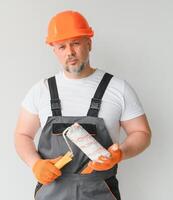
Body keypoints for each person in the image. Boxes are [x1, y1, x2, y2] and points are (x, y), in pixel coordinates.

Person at [14, 10, 151, 200]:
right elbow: (22, 135)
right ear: (54, 50)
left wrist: (121, 154)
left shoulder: (118, 88)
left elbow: (141, 133)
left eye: (76, 43)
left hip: (101, 191)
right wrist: (35, 163)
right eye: (62, 46)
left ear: (89, 43)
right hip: (51, 192)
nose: (69, 52)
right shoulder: (41, 90)